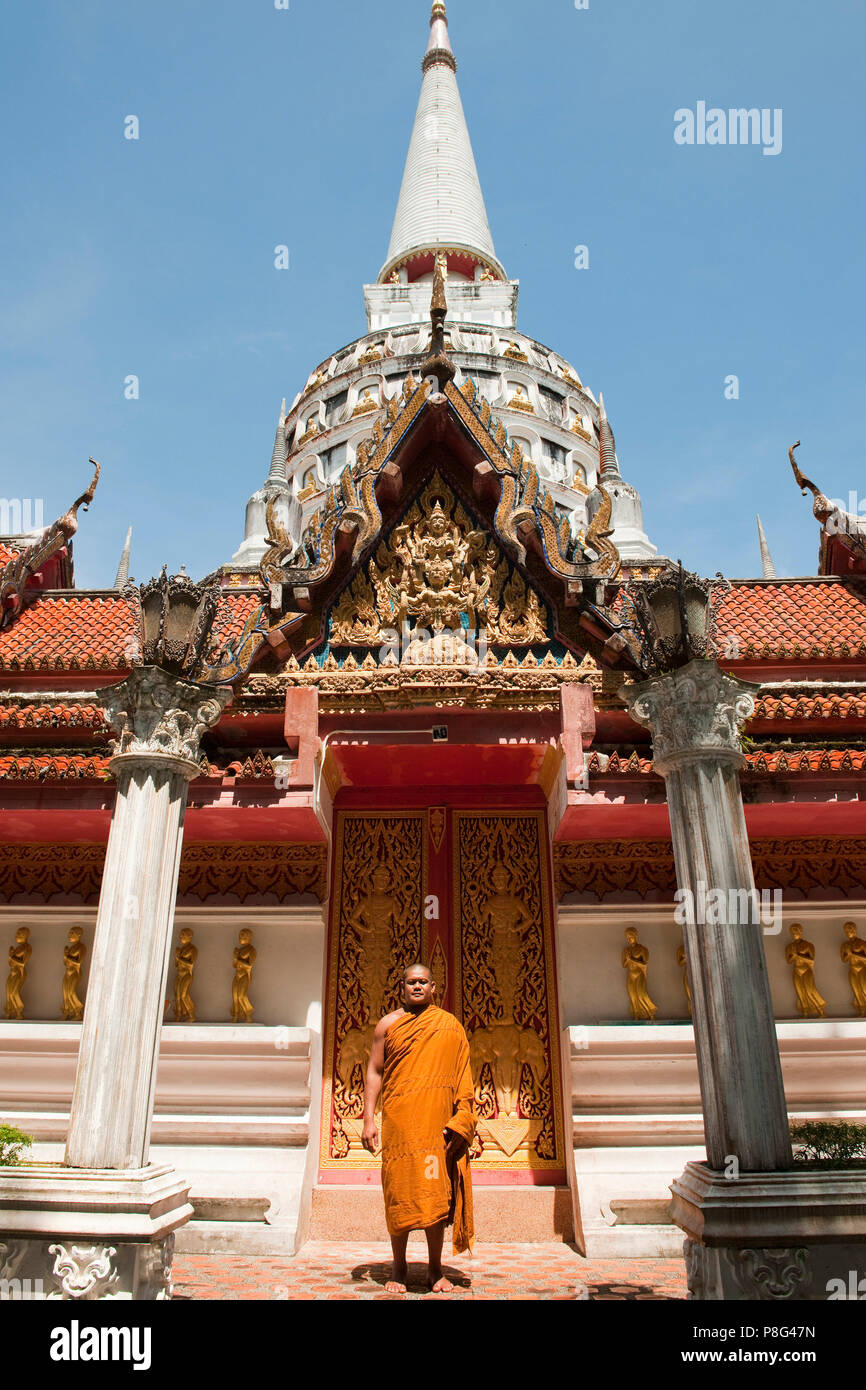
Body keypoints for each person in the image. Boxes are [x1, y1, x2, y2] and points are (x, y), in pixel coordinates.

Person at [362, 963, 475, 1295]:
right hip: (399, 1124)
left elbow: (462, 1076)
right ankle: (398, 1266)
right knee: (399, 1193)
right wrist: (368, 1117)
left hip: (435, 1126)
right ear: (402, 986)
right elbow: (374, 1071)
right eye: (411, 982)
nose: (417, 987)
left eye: (423, 982)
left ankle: (435, 1269)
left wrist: (460, 1119)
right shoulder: (388, 1025)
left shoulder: (450, 1027)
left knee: (433, 1197)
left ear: (433, 987)